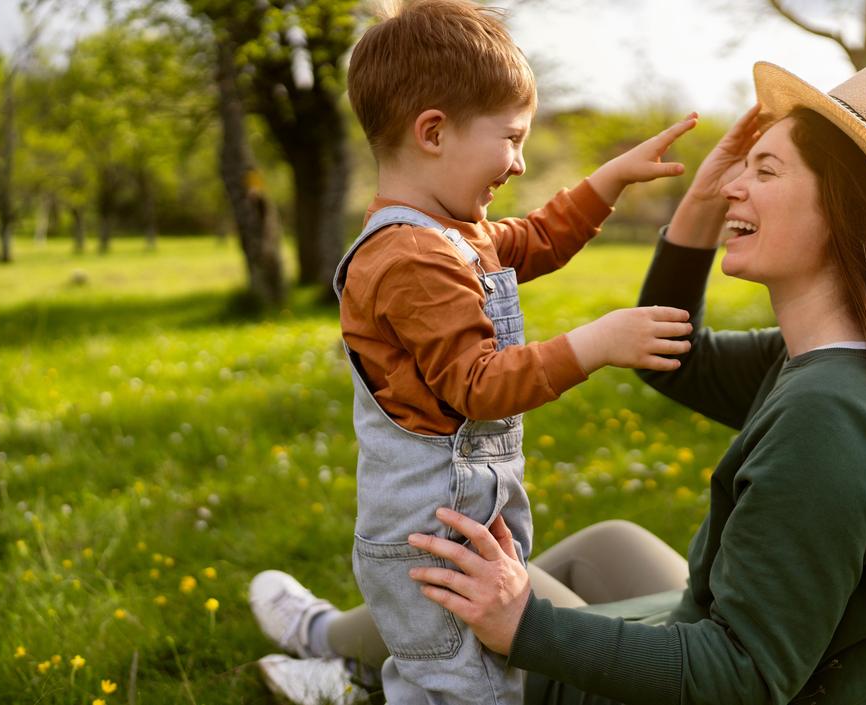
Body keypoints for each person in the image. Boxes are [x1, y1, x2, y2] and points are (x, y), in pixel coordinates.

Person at [253, 59, 866, 705]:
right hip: (749, 653)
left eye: (765, 169)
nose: (737, 183)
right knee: (609, 546)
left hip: (723, 682)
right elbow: (671, 354)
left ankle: (355, 671)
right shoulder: (841, 362)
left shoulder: (829, 424)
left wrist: (523, 626)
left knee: (458, 570)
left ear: (844, 213)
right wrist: (700, 210)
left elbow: (743, 676)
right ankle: (332, 640)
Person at [252, 1, 703, 703]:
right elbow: (480, 385)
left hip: (464, 525)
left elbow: (537, 240)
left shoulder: (458, 232)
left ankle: (339, 671)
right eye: (512, 139)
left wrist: (609, 179)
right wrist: (595, 344)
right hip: (431, 546)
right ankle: (346, 674)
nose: (520, 163)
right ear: (433, 132)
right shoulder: (410, 256)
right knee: (461, 689)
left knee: (462, 673)